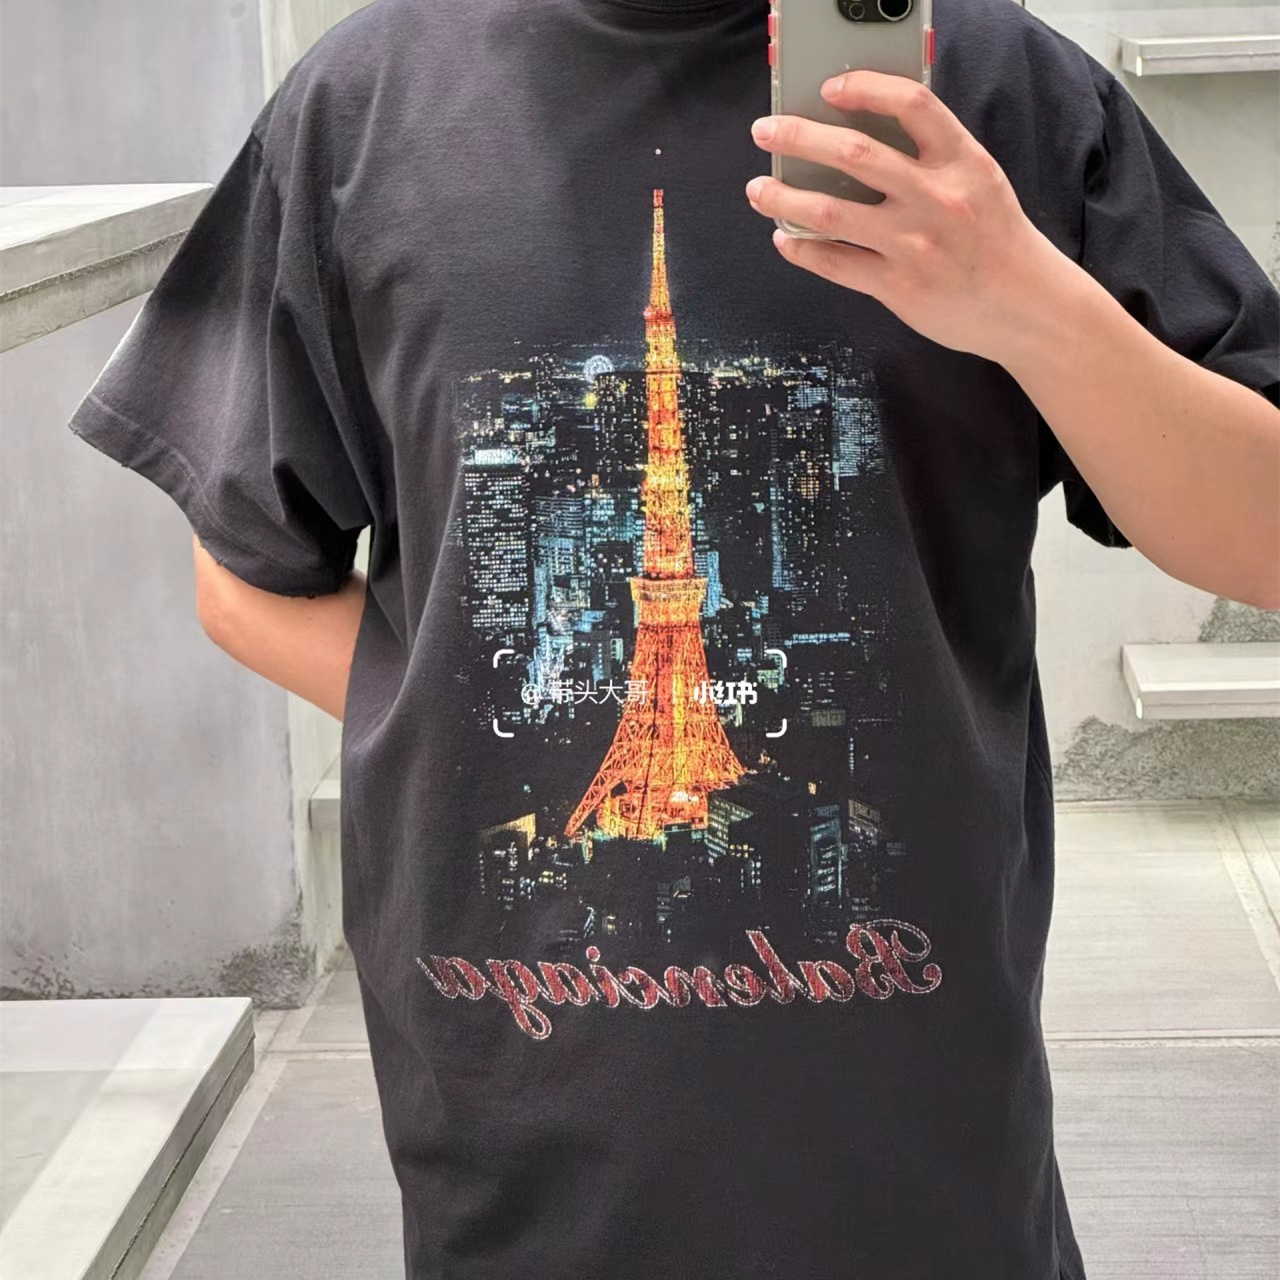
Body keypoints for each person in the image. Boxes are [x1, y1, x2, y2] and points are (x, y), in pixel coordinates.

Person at [67, 0, 1278, 1276]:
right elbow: (244, 571)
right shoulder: (363, 106)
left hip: (923, 1165)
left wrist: (1023, 297)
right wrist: (483, 734)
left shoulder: (994, 89)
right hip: (520, 1155)